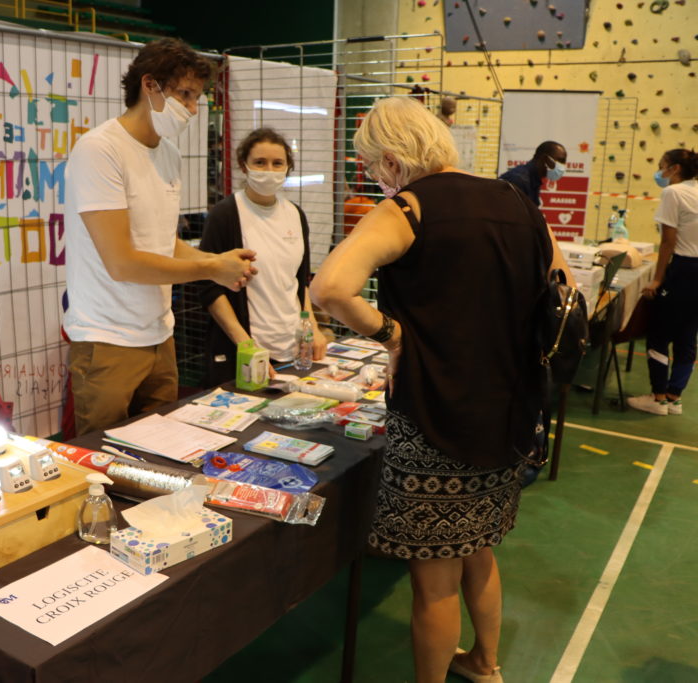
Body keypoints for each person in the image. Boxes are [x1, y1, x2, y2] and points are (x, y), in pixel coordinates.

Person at [311, 96, 570, 683]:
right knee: (478, 546)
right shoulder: (516, 202)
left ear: (395, 160)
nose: (374, 179)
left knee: (433, 577)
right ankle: (484, 662)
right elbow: (560, 285)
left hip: (434, 416)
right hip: (509, 408)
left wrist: (392, 334)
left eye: (373, 166)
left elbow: (330, 288)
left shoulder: (407, 208)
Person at [64, 38, 257, 435]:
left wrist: (219, 263)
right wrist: (210, 268)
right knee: (104, 466)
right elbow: (122, 262)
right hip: (107, 339)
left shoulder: (169, 153)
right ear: (149, 85)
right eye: (184, 94)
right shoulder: (99, 150)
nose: (190, 108)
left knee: (161, 454)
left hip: (159, 334)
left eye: (196, 98)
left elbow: (162, 243)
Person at [199, 127, 327, 384]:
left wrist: (311, 328)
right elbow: (210, 289)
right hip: (245, 350)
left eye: (277, 163)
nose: (269, 170)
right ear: (243, 166)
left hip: (292, 349)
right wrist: (246, 345)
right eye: (260, 162)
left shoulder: (295, 214)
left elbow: (299, 282)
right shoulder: (225, 215)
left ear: (287, 168)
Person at [627, 148, 698, 416]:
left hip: (683, 269)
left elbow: (668, 241)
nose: (660, 172)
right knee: (687, 335)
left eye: (662, 166)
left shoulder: (674, 193)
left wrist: (657, 279)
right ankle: (673, 397)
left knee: (659, 332)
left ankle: (658, 397)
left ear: (675, 169)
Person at [499, 140, 567, 206]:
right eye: (560, 161)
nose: (562, 166)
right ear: (544, 159)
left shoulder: (533, 179)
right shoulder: (518, 180)